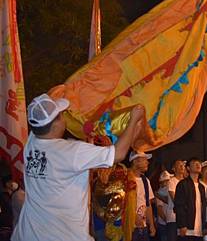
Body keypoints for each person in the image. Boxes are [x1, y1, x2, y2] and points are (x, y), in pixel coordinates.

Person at [11, 94, 144, 241]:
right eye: (61, 115)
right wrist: (133, 120)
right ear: (55, 124)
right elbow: (118, 154)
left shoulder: (31, 144)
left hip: (27, 234)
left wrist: (132, 131)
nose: (64, 118)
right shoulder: (71, 152)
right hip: (64, 236)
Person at [175, 158, 207, 240]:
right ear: (188, 168)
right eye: (194, 163)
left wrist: (204, 226)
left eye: (199, 163)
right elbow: (179, 206)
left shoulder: (201, 187)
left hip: (199, 229)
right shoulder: (183, 184)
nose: (198, 165)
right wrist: (182, 225)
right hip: (187, 228)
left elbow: (203, 207)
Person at [130, 150, 156, 240]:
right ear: (135, 161)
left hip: (143, 227)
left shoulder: (145, 181)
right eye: (144, 160)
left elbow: (148, 204)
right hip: (129, 227)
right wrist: (133, 216)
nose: (147, 162)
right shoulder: (125, 179)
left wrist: (151, 225)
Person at [167, 160, 187, 241]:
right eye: (179, 165)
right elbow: (175, 199)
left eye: (183, 165)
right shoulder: (172, 181)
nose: (182, 167)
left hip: (185, 218)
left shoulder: (187, 182)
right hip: (173, 218)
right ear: (174, 168)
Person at [156, 171, 173, 241]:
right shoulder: (161, 191)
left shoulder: (167, 190)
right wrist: (167, 221)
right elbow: (159, 209)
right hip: (164, 224)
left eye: (168, 180)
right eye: (166, 181)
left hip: (169, 222)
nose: (168, 182)